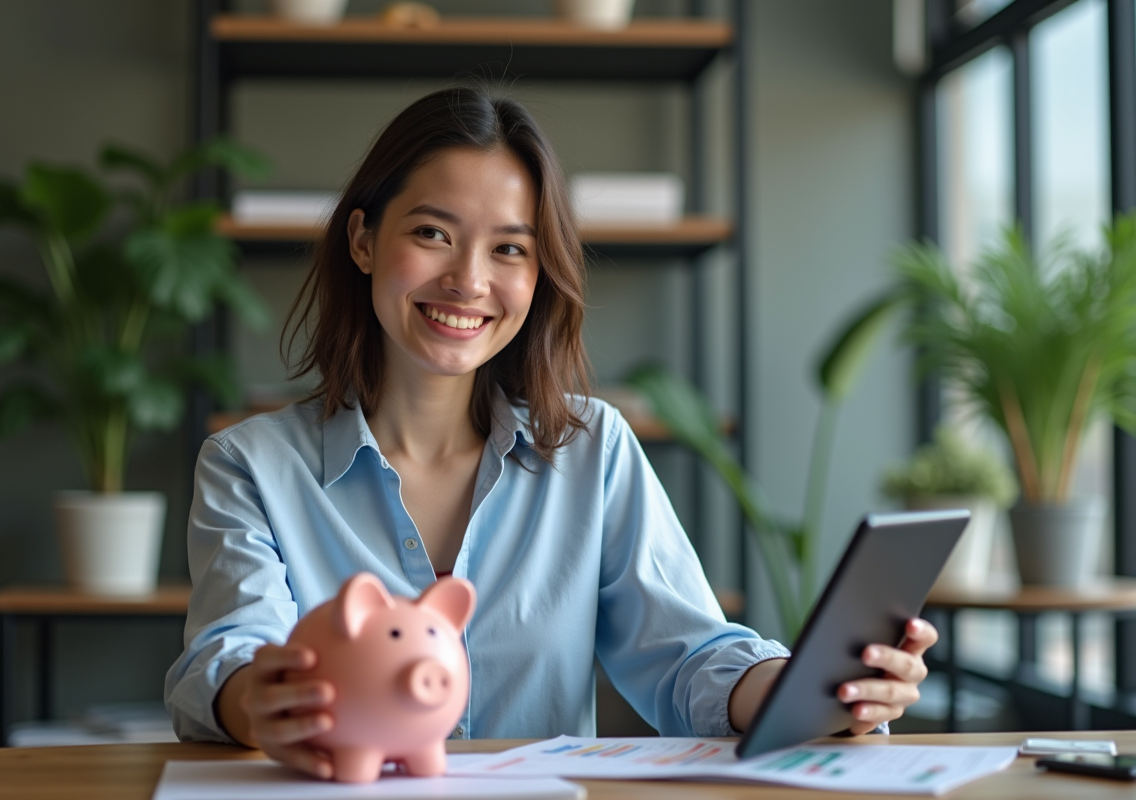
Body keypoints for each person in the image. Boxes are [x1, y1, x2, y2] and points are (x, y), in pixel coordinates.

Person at [164, 87, 936, 779]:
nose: (469, 280)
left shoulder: (591, 447)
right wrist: (257, 701)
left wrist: (813, 691)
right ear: (363, 241)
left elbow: (688, 658)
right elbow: (226, 658)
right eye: (433, 233)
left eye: (509, 248)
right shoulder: (249, 466)